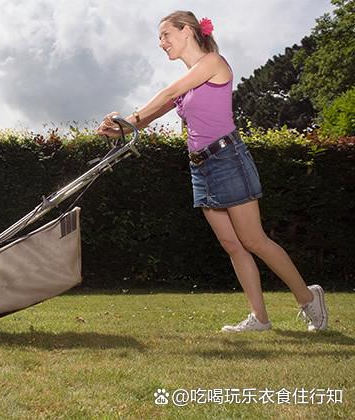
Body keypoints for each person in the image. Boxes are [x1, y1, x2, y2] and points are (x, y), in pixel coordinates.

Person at [96, 10, 328, 332]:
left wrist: (127, 121)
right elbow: (151, 115)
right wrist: (118, 129)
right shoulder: (188, 83)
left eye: (166, 35)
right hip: (200, 167)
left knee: (254, 239)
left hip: (227, 159)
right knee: (231, 244)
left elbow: (165, 95)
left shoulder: (213, 63)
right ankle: (260, 319)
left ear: (188, 31)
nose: (161, 43)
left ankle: (308, 298)